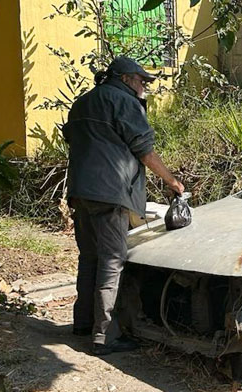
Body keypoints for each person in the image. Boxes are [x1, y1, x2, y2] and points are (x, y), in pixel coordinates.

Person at [63, 56, 184, 356]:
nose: (144, 86)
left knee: (89, 258)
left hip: (80, 192)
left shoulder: (82, 103)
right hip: (110, 195)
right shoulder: (125, 102)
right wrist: (172, 182)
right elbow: (145, 151)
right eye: (142, 81)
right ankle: (105, 336)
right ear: (125, 79)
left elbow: (74, 139)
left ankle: (83, 323)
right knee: (112, 261)